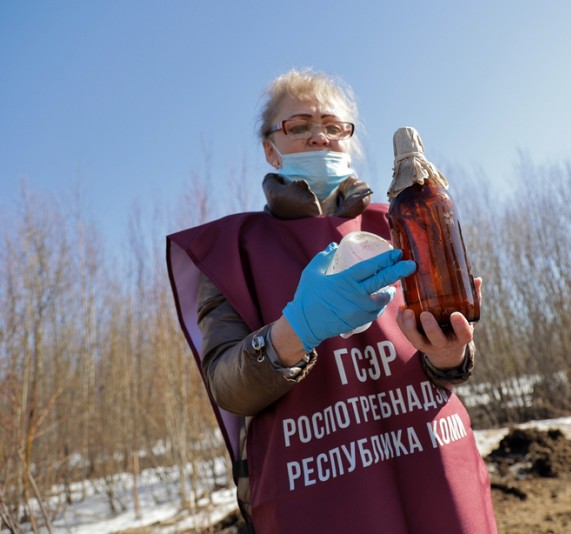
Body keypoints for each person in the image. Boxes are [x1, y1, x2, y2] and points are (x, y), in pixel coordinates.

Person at [167, 68, 496, 533]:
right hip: (318, 492)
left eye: (333, 126)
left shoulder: (402, 218)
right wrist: (296, 329)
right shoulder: (233, 252)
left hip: (432, 465)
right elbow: (227, 386)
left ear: (350, 141)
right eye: (298, 126)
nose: (318, 136)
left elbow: (445, 350)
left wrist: (450, 355)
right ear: (270, 149)